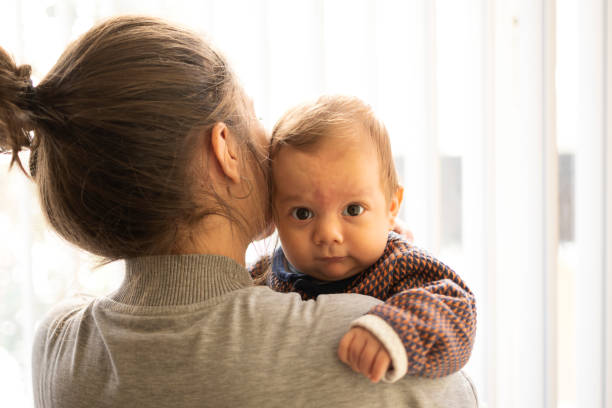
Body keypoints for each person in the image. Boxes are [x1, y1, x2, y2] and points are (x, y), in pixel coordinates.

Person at [0, 16, 478, 407]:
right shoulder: (366, 340)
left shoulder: (58, 346)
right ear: (225, 148)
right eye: (255, 117)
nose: (269, 143)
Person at [250, 96, 477, 383]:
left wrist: (394, 330)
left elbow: (457, 308)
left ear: (392, 207)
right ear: (275, 215)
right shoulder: (269, 271)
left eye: (353, 210)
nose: (328, 234)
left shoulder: (400, 264)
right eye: (303, 213)